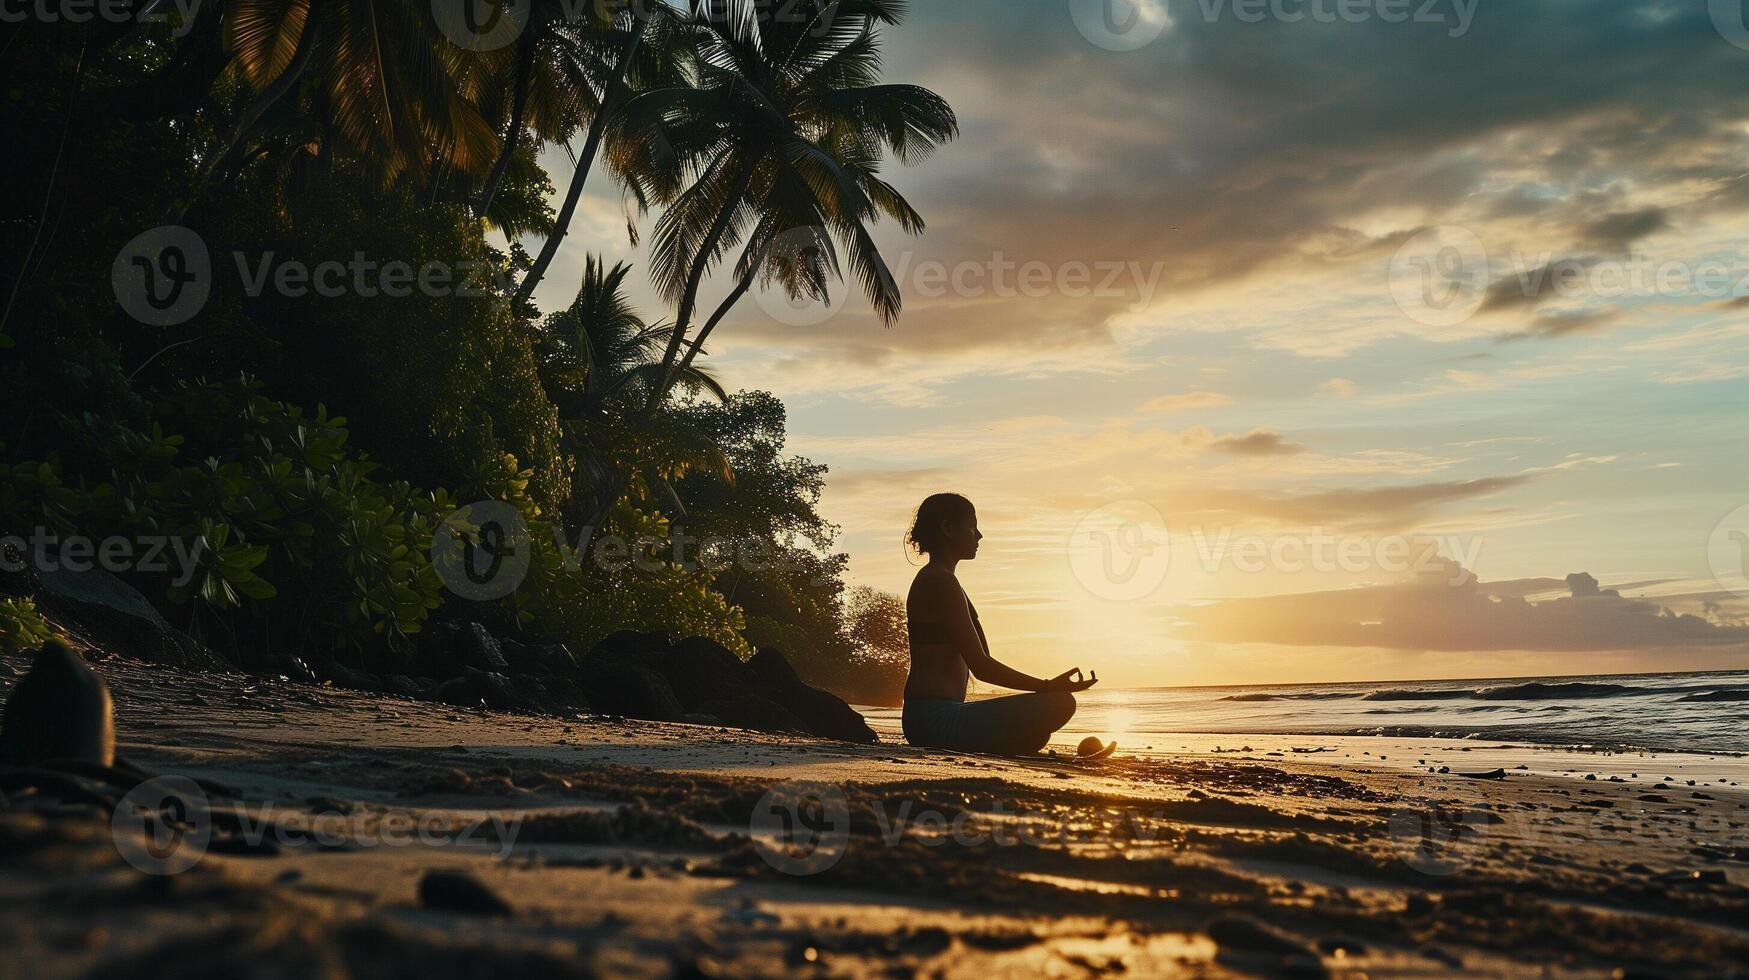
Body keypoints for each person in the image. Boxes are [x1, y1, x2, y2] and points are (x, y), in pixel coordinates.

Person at [901, 493, 1098, 755]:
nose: (979, 535)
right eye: (972, 527)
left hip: (932, 718)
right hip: (934, 720)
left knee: (1037, 733)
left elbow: (982, 657)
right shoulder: (939, 581)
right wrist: (1048, 686)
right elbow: (982, 667)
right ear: (948, 528)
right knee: (1059, 703)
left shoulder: (944, 581)